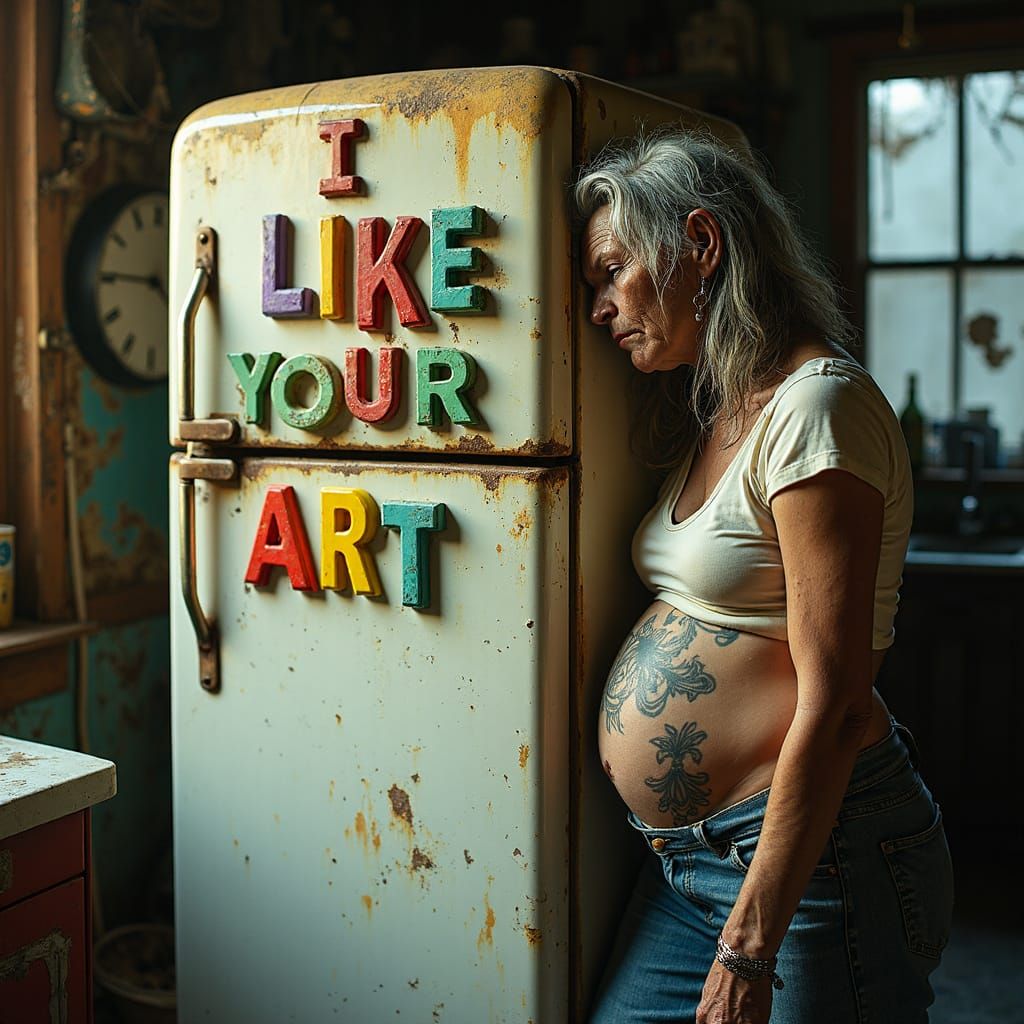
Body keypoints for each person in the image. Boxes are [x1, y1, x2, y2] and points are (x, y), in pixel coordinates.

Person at [576, 130, 954, 1024]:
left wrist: (750, 948)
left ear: (700, 246)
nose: (597, 307)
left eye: (611, 271)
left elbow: (836, 704)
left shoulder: (817, 410)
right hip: (691, 864)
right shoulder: (719, 410)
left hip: (820, 862)